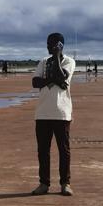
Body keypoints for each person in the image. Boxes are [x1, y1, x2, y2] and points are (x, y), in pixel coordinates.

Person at [31, 32, 76, 196]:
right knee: (43, 151)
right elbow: (35, 82)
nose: (48, 46)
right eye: (48, 43)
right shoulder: (43, 62)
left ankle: (65, 183)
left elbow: (64, 78)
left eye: (51, 44)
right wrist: (53, 79)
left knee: (64, 150)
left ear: (60, 45)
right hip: (42, 113)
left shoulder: (69, 61)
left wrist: (57, 58)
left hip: (61, 113)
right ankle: (44, 183)